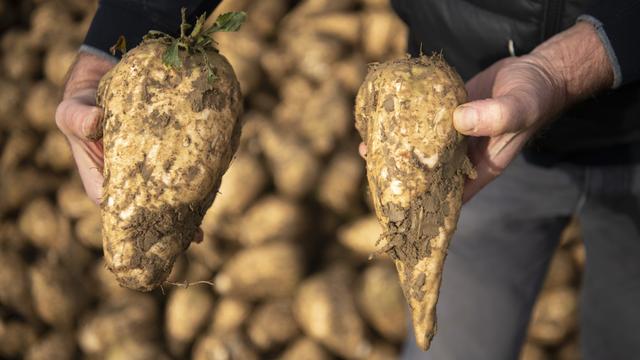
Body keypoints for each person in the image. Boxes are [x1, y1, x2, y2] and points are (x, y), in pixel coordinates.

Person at [57, 1, 640, 359]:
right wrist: (128, 24)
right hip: (469, 133)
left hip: (614, 124)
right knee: (453, 343)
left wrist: (568, 67)